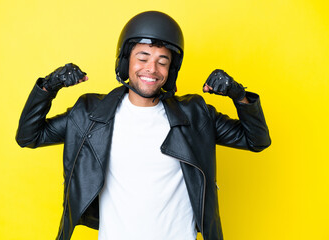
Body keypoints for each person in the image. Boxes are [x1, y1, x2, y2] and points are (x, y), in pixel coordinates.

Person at [16, 11, 271, 240]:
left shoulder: (195, 115)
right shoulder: (90, 114)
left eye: (162, 61)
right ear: (126, 61)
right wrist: (48, 87)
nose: (152, 68)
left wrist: (240, 96)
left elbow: (256, 140)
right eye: (143, 57)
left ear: (170, 70)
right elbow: (29, 136)